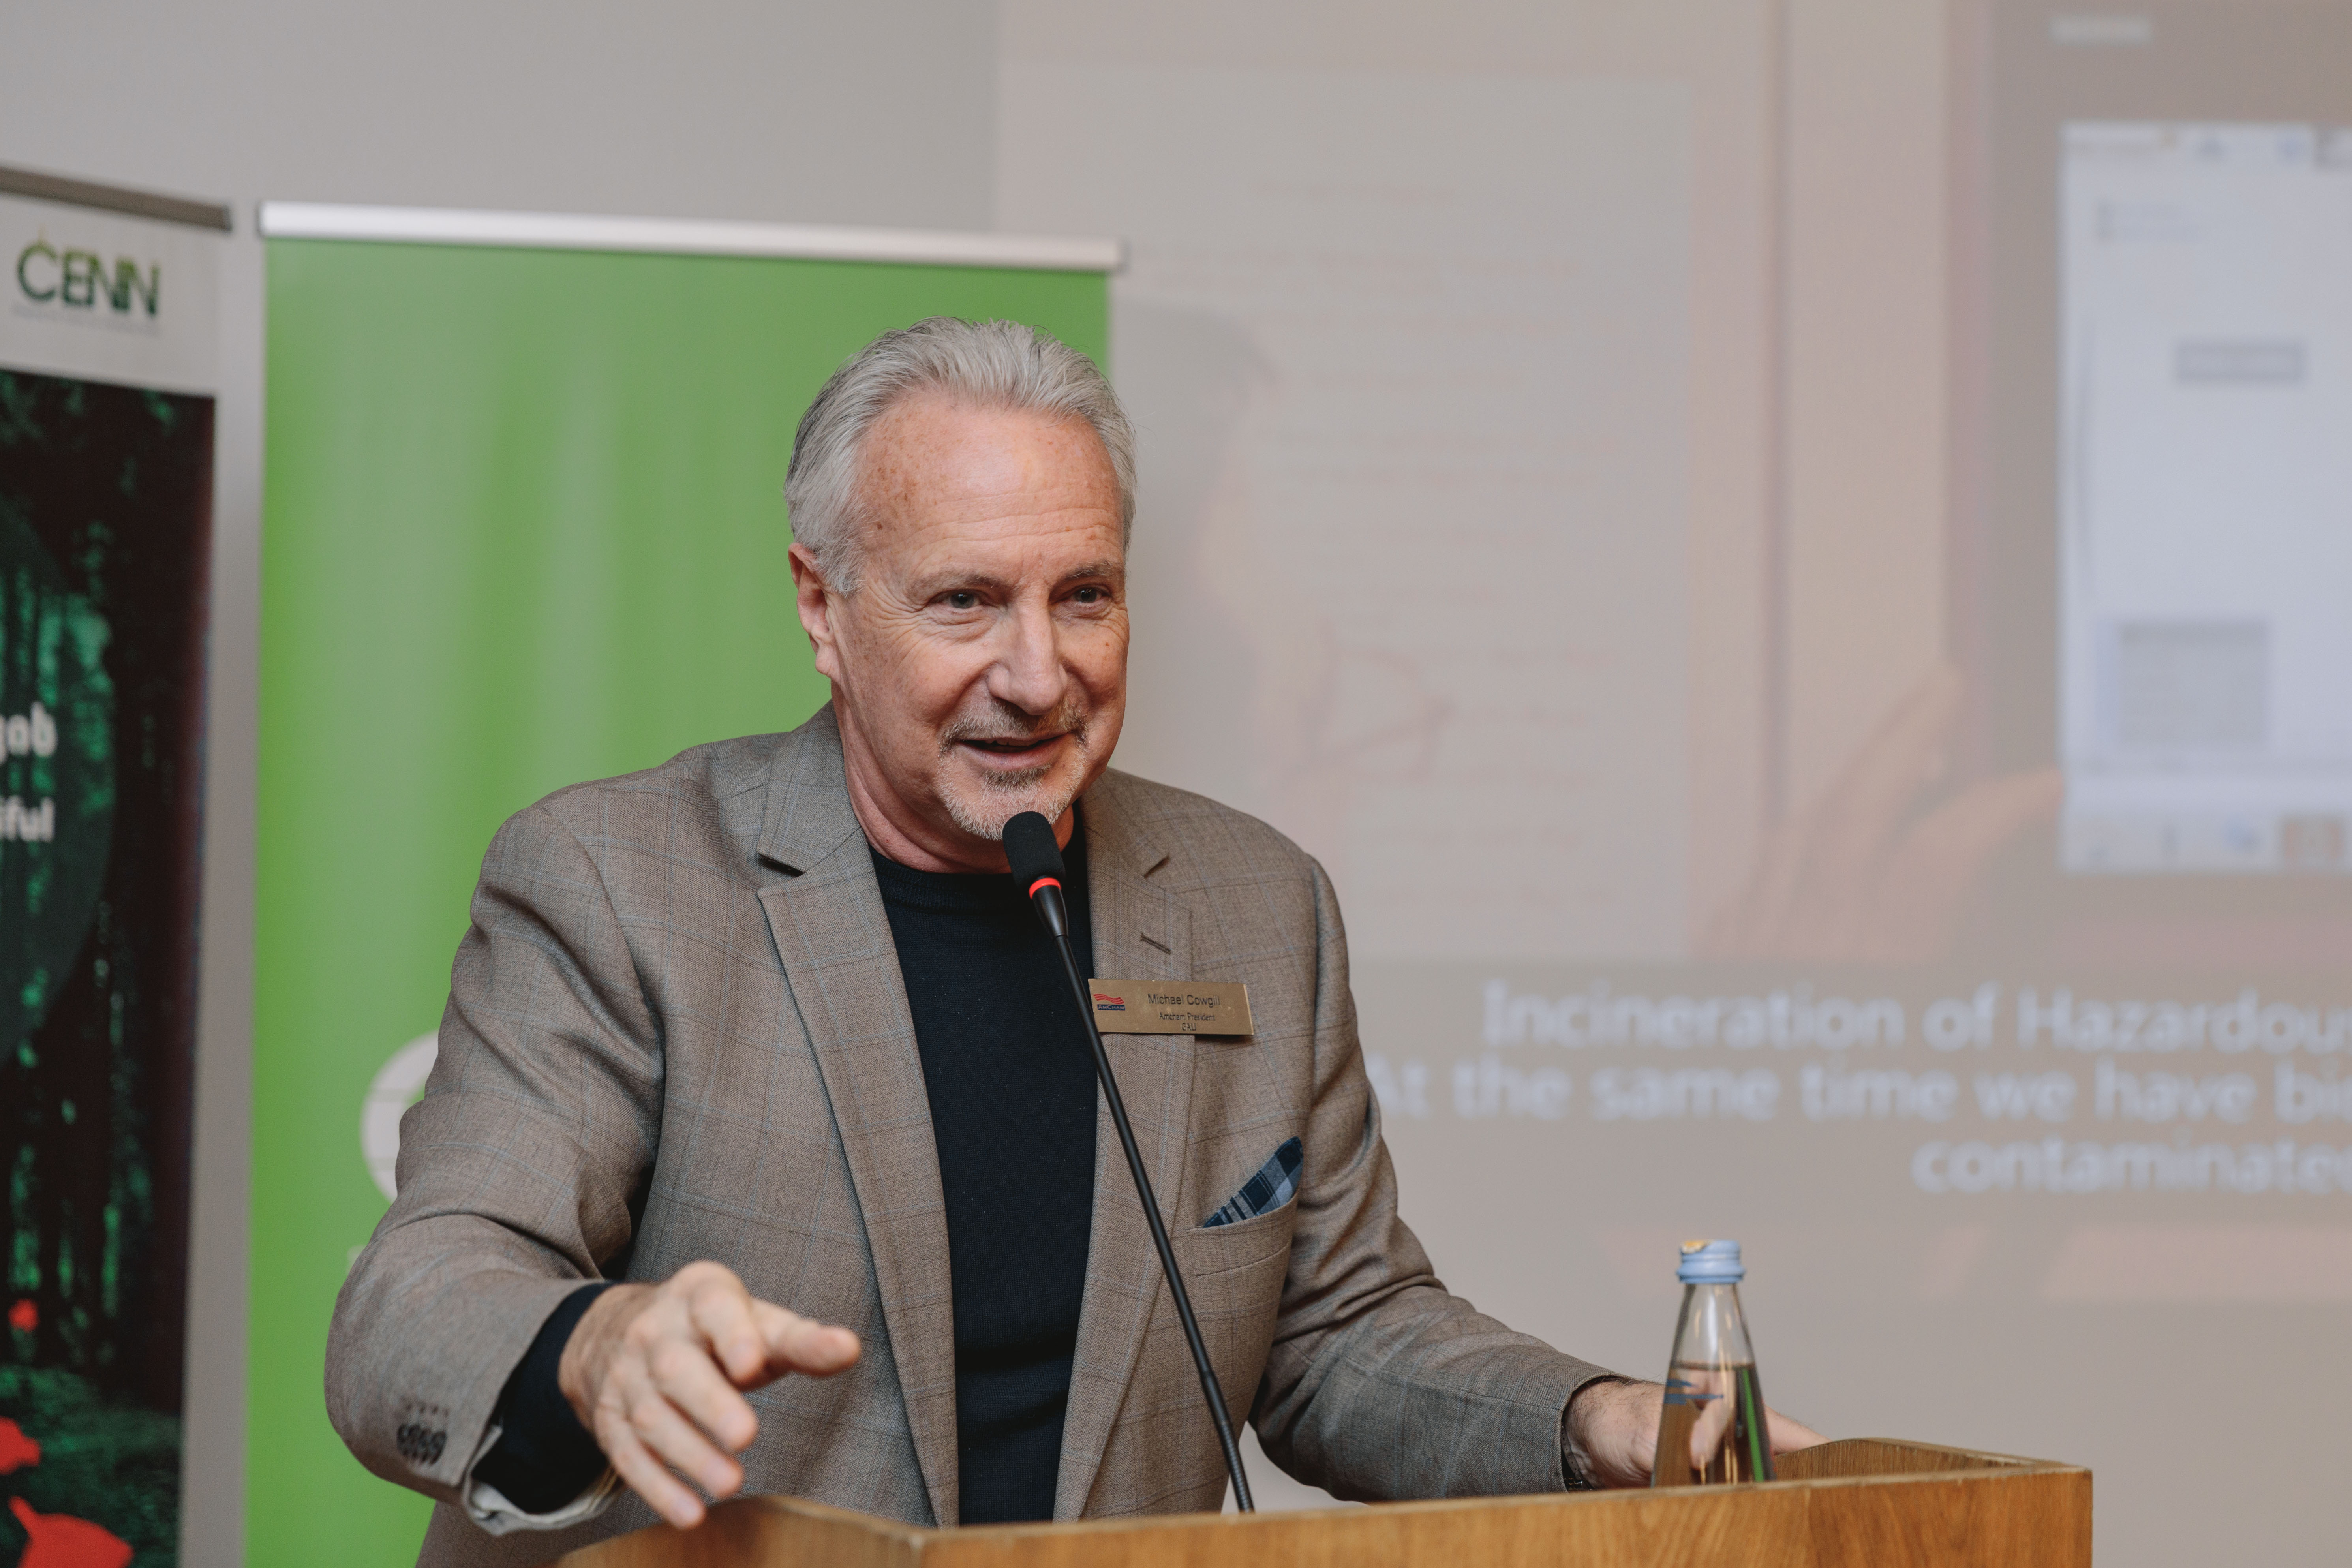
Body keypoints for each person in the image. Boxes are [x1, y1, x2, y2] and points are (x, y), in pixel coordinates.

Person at [326, 318, 1820, 1565]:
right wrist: (592, 1349)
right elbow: (420, 1295)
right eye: (966, 602)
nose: (1038, 675)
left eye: (1084, 596)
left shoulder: (1257, 902)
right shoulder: (621, 881)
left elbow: (1336, 1334)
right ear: (823, 608)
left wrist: (1594, 1420)